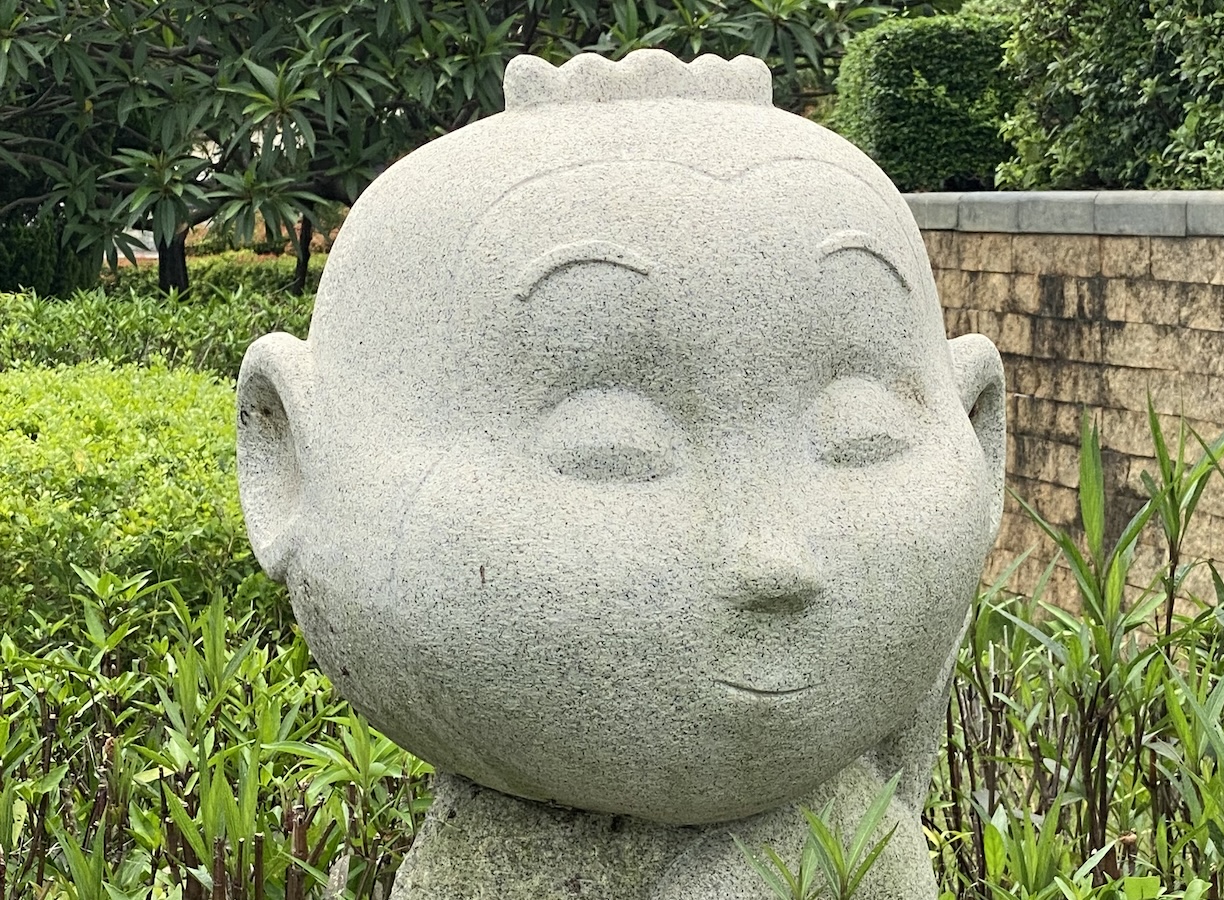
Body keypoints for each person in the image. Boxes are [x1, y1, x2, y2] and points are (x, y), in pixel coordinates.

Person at [235, 49, 1006, 899]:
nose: (773, 557)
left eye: (861, 428)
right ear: (290, 463)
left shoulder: (855, 848)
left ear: (980, 438)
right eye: (610, 442)